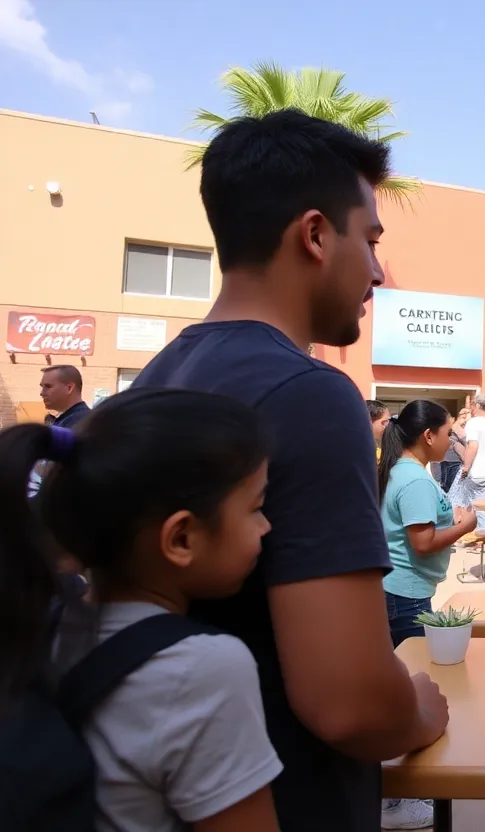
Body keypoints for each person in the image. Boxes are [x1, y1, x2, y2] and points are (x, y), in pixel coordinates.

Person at [129, 110, 447, 831]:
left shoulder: (155, 379)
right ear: (314, 235)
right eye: (371, 241)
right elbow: (352, 704)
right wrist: (419, 709)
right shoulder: (311, 395)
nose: (376, 272)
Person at [0, 389, 283, 830]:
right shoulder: (203, 667)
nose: (267, 526)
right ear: (181, 539)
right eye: (256, 508)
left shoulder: (39, 621)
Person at [378, 401, 477, 645]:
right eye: (448, 433)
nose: (451, 441)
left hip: (401, 590)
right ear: (429, 436)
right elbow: (423, 543)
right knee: (415, 661)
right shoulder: (415, 480)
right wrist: (464, 527)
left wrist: (449, 518)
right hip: (406, 593)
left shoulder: (402, 470)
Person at [450, 394, 485, 533]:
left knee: (453, 500)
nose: (470, 408)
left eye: (471, 404)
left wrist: (466, 467)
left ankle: (454, 532)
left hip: (473, 471)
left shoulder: (473, 423)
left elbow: (473, 445)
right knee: (478, 505)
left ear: (477, 405)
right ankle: (484, 533)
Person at [439, 408, 469, 493]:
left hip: (449, 462)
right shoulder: (456, 427)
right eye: (463, 416)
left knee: (448, 490)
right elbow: (467, 442)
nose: (465, 420)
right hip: (454, 463)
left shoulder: (456, 428)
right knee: (452, 491)